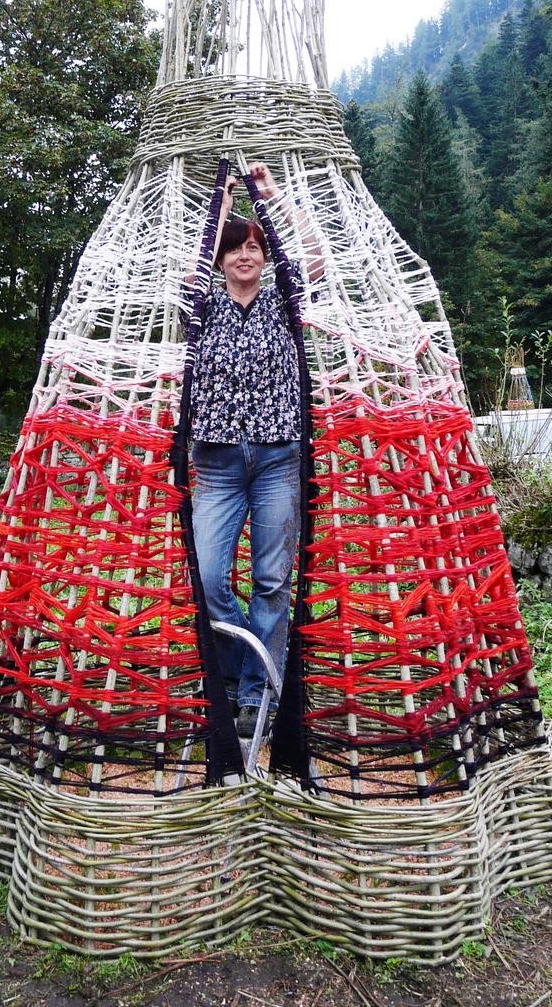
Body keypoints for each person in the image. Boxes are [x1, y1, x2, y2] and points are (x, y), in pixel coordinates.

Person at [188, 162, 320, 739]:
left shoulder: (283, 303)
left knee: (271, 579)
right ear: (220, 259)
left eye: (254, 248)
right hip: (216, 461)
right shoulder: (202, 305)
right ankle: (251, 661)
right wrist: (223, 202)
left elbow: (313, 258)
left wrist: (270, 194)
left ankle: (253, 696)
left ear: (265, 259)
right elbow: (191, 261)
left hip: (275, 458)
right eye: (234, 248)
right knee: (208, 576)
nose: (245, 256)